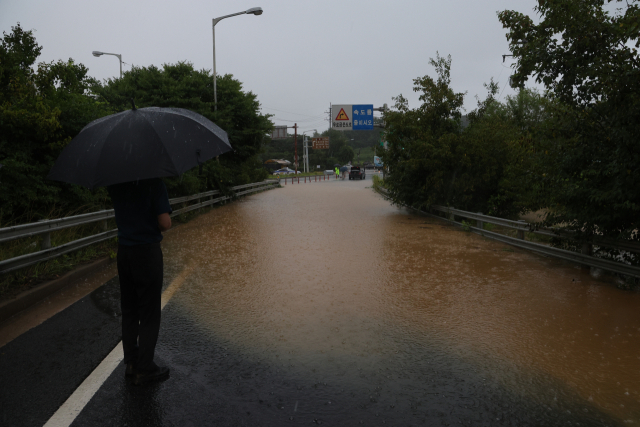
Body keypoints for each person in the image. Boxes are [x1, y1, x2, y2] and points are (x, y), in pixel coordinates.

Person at [107, 178, 172, 386]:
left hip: (124, 252)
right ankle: (145, 367)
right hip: (146, 252)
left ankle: (132, 364)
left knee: (129, 310)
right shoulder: (154, 183)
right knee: (149, 312)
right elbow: (165, 223)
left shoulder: (116, 182)